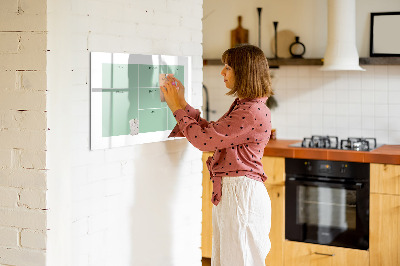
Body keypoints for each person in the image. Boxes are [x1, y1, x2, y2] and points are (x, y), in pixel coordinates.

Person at [160, 44, 273, 266]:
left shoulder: (250, 111)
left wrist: (176, 107)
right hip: (235, 193)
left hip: (241, 195)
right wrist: (182, 103)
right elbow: (212, 133)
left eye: (228, 67)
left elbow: (204, 141)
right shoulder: (246, 106)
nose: (222, 72)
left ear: (244, 71)